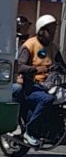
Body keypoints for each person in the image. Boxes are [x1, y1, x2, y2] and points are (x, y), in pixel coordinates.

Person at [17, 14, 63, 147]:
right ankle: (29, 131)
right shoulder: (30, 45)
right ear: (41, 31)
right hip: (30, 86)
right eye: (50, 30)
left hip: (48, 85)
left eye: (55, 29)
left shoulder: (53, 48)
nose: (54, 33)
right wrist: (36, 69)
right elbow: (19, 66)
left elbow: (61, 65)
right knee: (46, 99)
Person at [12, 15, 32, 102]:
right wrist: (17, 76)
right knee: (18, 88)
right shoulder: (14, 40)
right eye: (25, 27)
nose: (27, 29)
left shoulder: (28, 41)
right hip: (14, 76)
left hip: (25, 75)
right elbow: (16, 60)